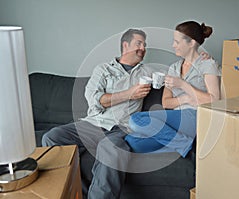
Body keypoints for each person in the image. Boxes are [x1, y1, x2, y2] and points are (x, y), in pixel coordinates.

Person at [42, 29, 152, 199]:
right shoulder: (103, 69)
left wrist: (197, 60)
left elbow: (175, 77)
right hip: (93, 124)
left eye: (145, 44)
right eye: (139, 43)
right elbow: (95, 100)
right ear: (125, 45)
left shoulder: (148, 73)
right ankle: (76, 191)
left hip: (122, 128)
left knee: (112, 149)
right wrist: (129, 93)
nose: (143, 48)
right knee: (53, 137)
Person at [125, 21, 221, 157]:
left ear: (191, 43)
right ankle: (186, 144)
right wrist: (186, 98)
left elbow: (214, 99)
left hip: (196, 117)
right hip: (178, 120)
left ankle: (183, 143)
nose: (173, 45)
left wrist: (182, 85)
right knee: (133, 141)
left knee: (135, 120)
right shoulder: (174, 68)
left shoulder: (207, 64)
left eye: (177, 42)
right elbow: (166, 102)